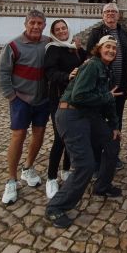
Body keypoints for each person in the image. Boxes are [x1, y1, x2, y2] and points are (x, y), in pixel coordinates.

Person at [45, 35, 122, 228]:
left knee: (112, 142)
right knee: (85, 165)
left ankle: (102, 186)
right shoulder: (92, 65)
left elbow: (108, 101)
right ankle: (55, 208)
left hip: (88, 115)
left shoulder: (105, 69)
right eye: (107, 47)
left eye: (114, 48)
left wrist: (114, 126)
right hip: (71, 115)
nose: (111, 50)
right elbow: (79, 96)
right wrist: (106, 96)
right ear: (99, 48)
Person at [0, 9, 50, 205]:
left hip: (42, 99)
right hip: (21, 99)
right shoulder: (13, 45)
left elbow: (65, 50)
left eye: (39, 23)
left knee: (39, 133)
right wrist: (11, 96)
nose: (35, 26)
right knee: (18, 136)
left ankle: (28, 168)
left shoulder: (48, 43)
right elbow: (3, 73)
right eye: (32, 23)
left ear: (44, 25)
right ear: (26, 24)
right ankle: (11, 180)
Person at [44, 19, 87, 199]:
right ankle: (51, 178)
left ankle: (66, 170)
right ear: (53, 33)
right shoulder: (53, 49)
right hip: (58, 99)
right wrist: (66, 76)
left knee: (72, 135)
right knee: (60, 139)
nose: (61, 31)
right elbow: (50, 72)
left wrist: (80, 49)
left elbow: (84, 62)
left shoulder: (72, 47)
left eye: (64, 28)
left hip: (75, 100)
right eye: (57, 29)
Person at [86, 2, 127, 169]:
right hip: (101, 88)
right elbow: (89, 57)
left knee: (116, 121)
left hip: (120, 88)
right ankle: (97, 159)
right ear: (102, 15)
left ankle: (113, 155)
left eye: (114, 11)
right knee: (98, 122)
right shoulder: (96, 33)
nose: (111, 14)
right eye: (107, 12)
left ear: (118, 15)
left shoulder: (124, 33)